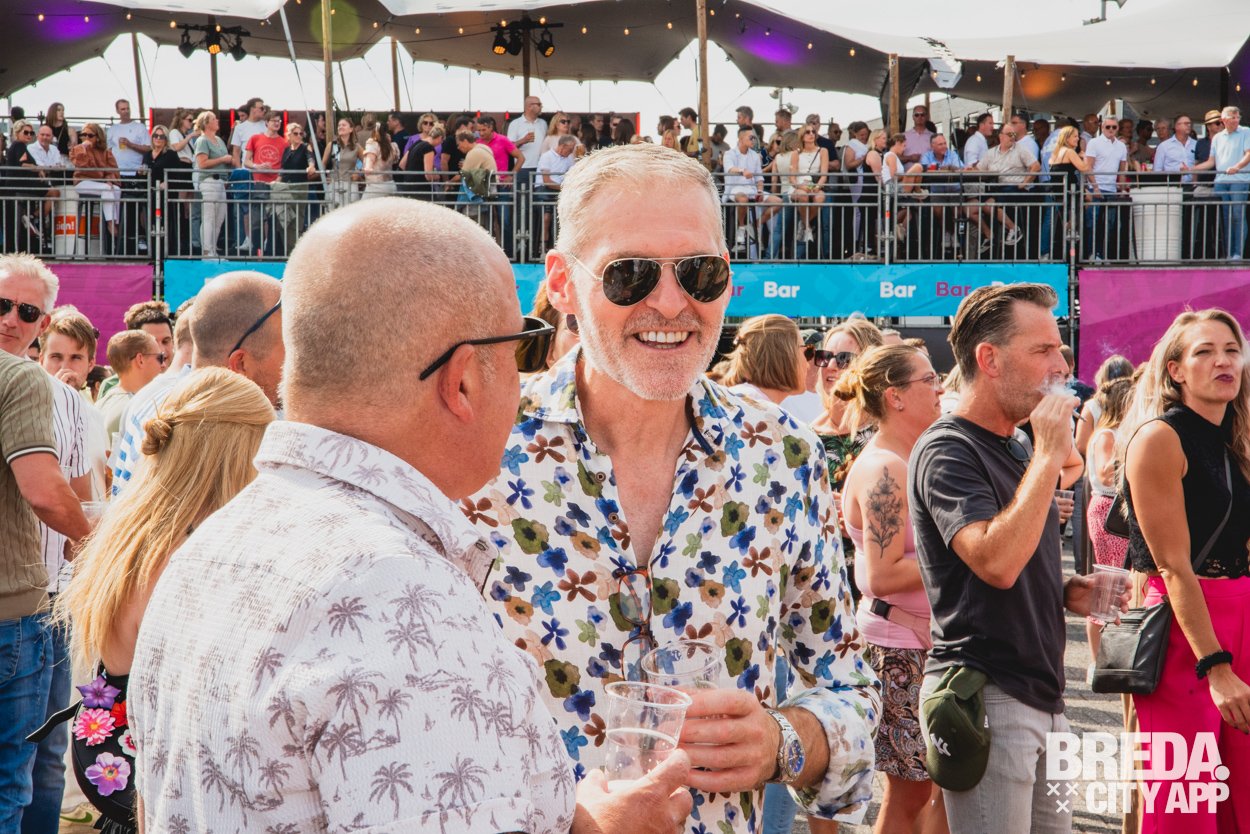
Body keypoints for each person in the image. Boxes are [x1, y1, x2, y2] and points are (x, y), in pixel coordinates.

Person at [128, 196, 693, 833]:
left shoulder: (214, 542)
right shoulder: (399, 598)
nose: (525, 379)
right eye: (518, 350)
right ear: (463, 382)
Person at [464, 144, 881, 833]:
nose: (669, 302)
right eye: (628, 274)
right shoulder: (473, 453)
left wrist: (783, 741)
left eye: (699, 272)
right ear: (562, 283)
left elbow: (851, 690)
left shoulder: (782, 454)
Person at [910, 283, 1109, 833]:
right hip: (989, 694)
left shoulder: (1016, 445)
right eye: (1043, 349)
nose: (1062, 364)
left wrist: (1064, 592)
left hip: (1044, 695)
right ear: (989, 359)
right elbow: (993, 563)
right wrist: (1048, 455)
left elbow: (1007, 563)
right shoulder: (947, 447)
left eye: (1060, 348)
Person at [52, 368, 276, 834]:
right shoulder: (191, 557)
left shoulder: (130, 535)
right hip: (178, 797)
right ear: (238, 452)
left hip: (138, 791)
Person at [1121, 309, 1250, 831]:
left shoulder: (1236, 438)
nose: (1224, 361)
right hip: (1185, 634)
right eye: (1205, 351)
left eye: (1232, 350)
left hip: (1241, 614)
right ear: (1174, 370)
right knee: (1184, 807)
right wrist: (1215, 667)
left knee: (1240, 799)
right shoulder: (1159, 438)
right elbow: (1172, 567)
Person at [836, 344, 948, 834]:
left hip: (920, 642)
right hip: (902, 646)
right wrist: (965, 553)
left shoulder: (905, 458)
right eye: (929, 379)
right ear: (895, 396)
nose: (940, 387)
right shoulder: (886, 468)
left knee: (940, 786)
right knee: (912, 792)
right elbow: (881, 576)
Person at [0, 254, 91, 832]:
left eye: (27, 311)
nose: (11, 319)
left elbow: (75, 490)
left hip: (51, 599)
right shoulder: (21, 380)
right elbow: (49, 496)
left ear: (44, 321)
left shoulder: (69, 402)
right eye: (1, 305)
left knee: (44, 760)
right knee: (15, 774)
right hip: (16, 611)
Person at [110, 271, 283, 494]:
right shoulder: (222, 439)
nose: (295, 362)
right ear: (240, 363)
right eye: (287, 346)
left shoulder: (151, 404)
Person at [1082, 376, 1133, 667]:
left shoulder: (1111, 433)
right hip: (1108, 510)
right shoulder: (1108, 435)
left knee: (1113, 584)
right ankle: (1098, 662)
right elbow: (1104, 473)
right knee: (1109, 584)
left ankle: (1103, 661)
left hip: (1111, 509)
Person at [720, 314, 806, 406]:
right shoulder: (753, 404)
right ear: (784, 356)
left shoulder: (743, 399)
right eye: (806, 352)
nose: (808, 364)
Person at [95, 330, 164, 437]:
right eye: (160, 358)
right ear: (140, 360)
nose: (163, 365)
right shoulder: (136, 411)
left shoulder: (101, 404)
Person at [69, 123, 122, 247]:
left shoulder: (106, 152)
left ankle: (116, 221)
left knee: (116, 189)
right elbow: (80, 165)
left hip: (100, 183)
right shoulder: (77, 149)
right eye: (84, 135)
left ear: (97, 137)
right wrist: (83, 148)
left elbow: (112, 170)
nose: (86, 137)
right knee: (107, 189)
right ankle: (111, 224)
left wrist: (109, 179)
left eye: (90, 135)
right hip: (82, 181)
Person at [192, 110, 232, 257]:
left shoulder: (219, 140)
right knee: (209, 217)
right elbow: (202, 163)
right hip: (209, 181)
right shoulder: (202, 140)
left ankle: (213, 250)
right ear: (206, 123)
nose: (217, 121)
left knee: (219, 218)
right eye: (214, 119)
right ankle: (207, 251)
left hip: (221, 182)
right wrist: (222, 159)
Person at [791, 126, 830, 244]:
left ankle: (803, 224)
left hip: (815, 184)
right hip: (799, 185)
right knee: (803, 196)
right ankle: (807, 228)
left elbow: (824, 175)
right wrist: (801, 187)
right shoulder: (796, 153)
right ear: (802, 136)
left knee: (820, 197)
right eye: (807, 132)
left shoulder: (823, 151)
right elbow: (792, 178)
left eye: (813, 131)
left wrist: (817, 187)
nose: (811, 134)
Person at [323, 117, 361, 208]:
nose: (340, 127)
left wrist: (359, 173)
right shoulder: (332, 145)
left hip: (350, 184)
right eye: (339, 125)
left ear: (351, 129)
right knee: (333, 212)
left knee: (350, 212)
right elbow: (322, 164)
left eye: (344, 125)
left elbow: (367, 162)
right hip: (334, 184)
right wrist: (324, 177)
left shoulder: (357, 147)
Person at [360, 122, 396, 199]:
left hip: (375, 187)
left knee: (364, 206)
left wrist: (366, 168)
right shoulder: (392, 146)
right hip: (390, 184)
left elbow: (370, 160)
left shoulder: (373, 144)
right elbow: (395, 161)